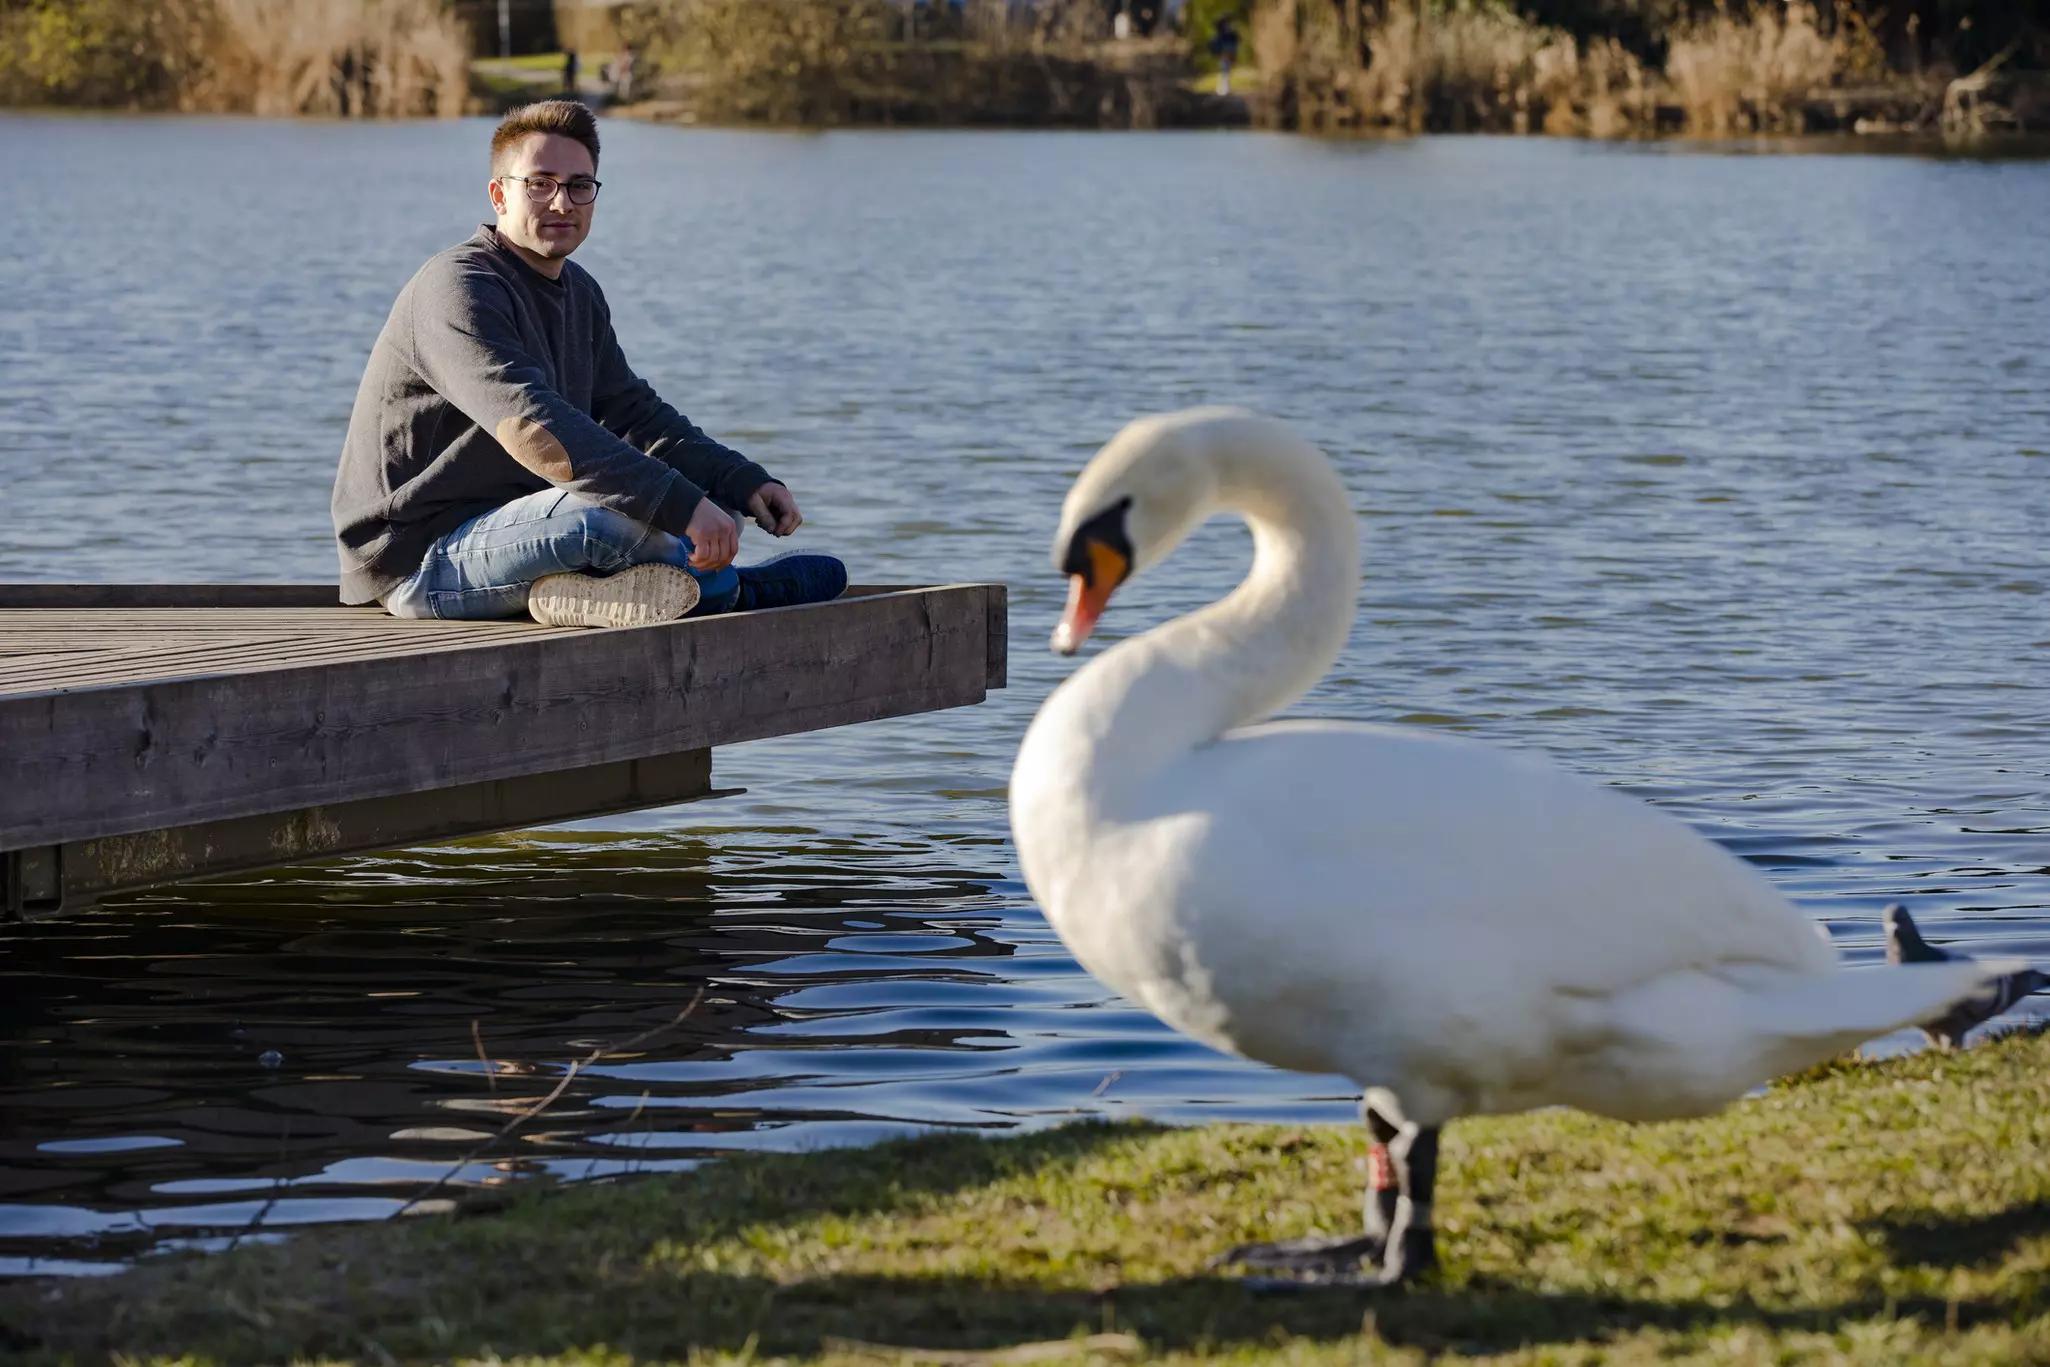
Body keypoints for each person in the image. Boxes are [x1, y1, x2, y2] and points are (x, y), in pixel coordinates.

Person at [332, 100, 845, 628]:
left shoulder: (579, 292)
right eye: (540, 183)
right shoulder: (457, 288)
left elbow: (635, 415)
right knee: (602, 518)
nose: (562, 201)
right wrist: (682, 506)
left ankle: (582, 595)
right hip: (420, 558)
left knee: (710, 502)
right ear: (499, 193)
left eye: (579, 185)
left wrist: (739, 480)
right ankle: (737, 591)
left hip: (522, 530)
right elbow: (534, 429)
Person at [1209, 15, 1239, 96]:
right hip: (1225, 49)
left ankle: (1223, 89)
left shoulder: (1225, 33)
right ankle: (1224, 89)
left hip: (1225, 50)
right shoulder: (1225, 32)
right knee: (1225, 69)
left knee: (1225, 69)